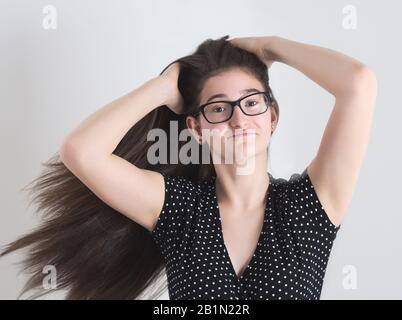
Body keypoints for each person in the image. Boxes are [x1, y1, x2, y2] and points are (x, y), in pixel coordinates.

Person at [0, 35, 377, 300]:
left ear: (272, 117)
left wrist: (268, 47)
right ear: (196, 129)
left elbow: (358, 83)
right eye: (218, 108)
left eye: (252, 102)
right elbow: (80, 150)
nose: (238, 119)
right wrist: (164, 86)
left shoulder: (309, 206)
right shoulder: (180, 209)